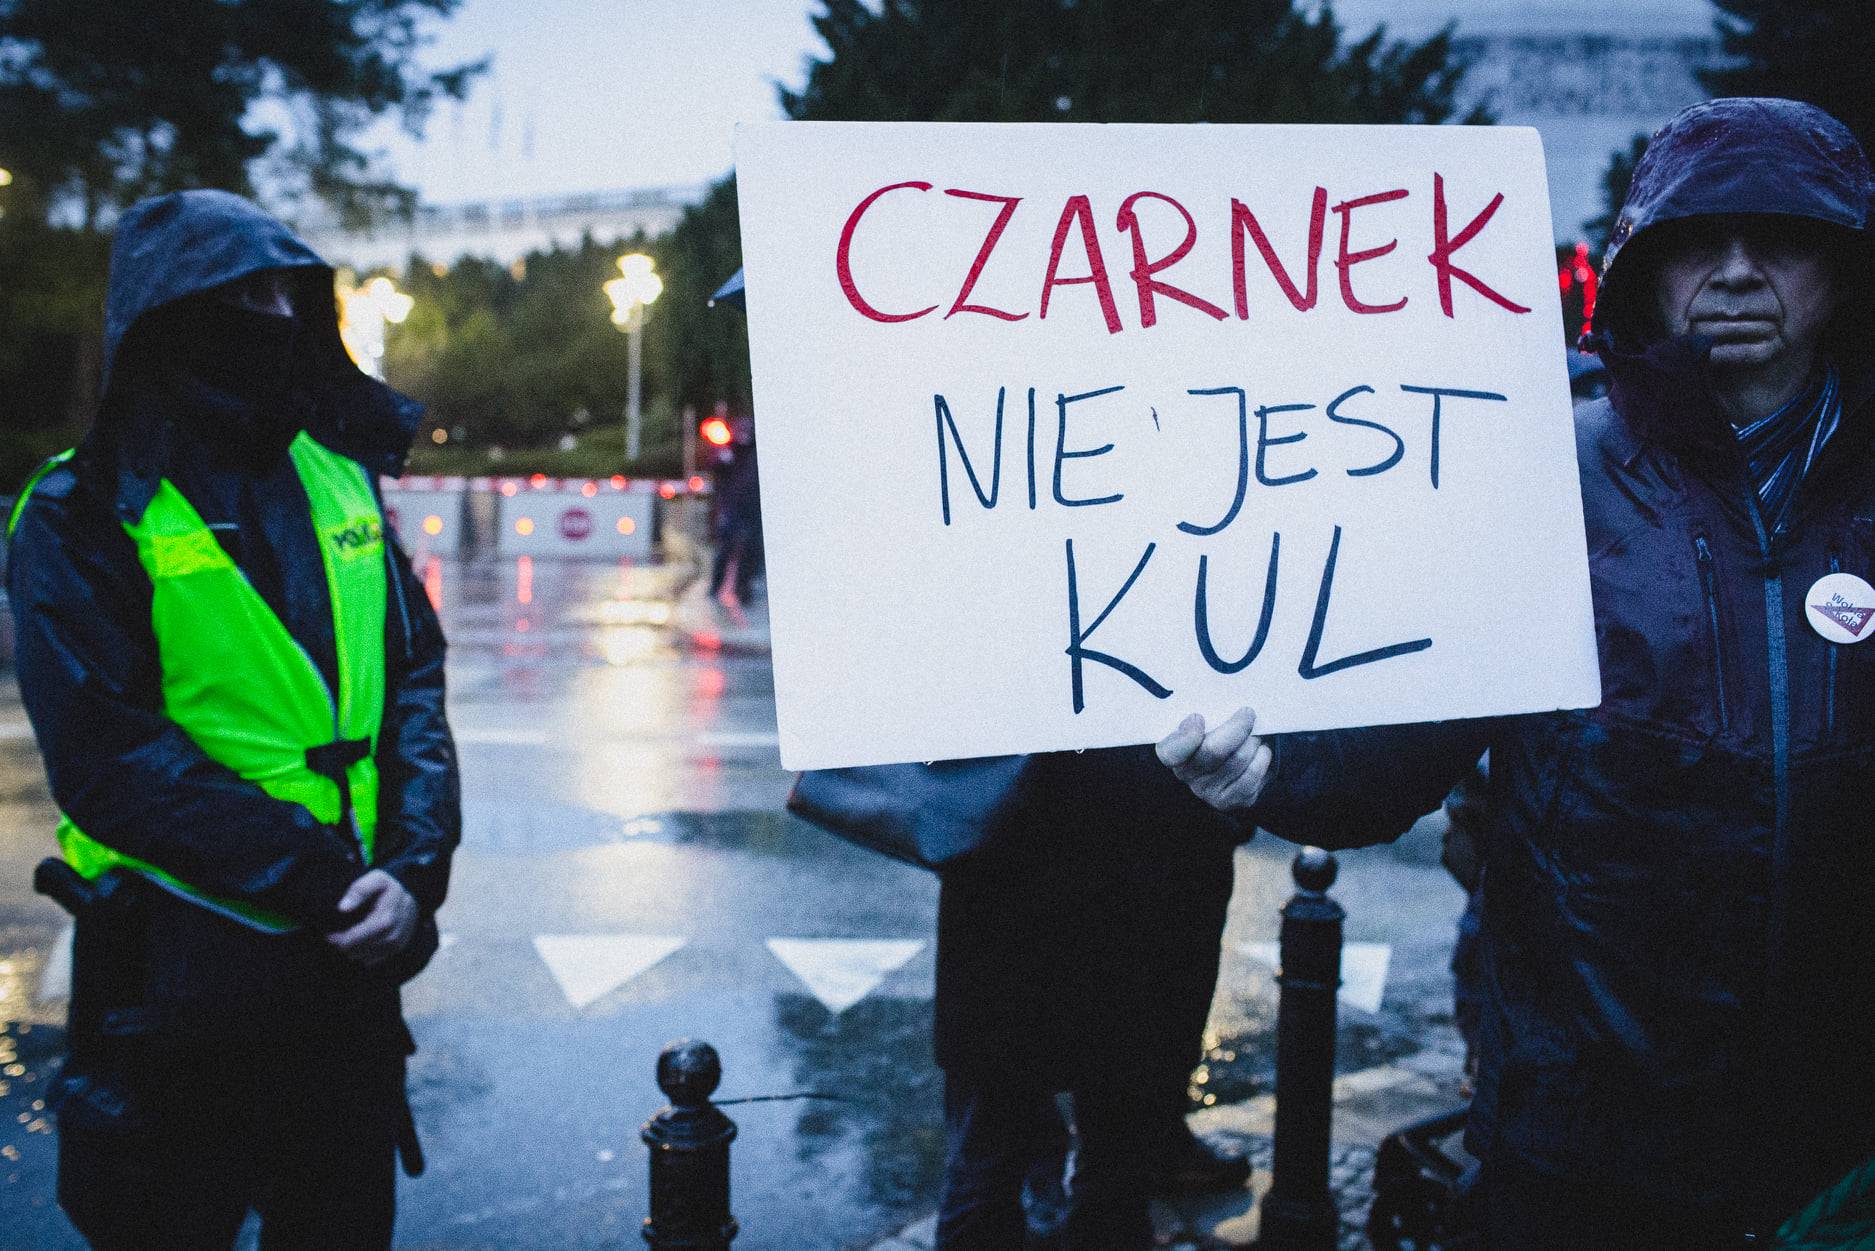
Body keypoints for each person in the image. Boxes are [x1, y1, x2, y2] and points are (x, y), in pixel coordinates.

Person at [1158, 97, 1875, 1249]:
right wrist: (1263, 772)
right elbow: (1394, 743)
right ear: (1648, 268)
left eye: (1779, 238)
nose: (1737, 274)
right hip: (1584, 1131)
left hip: (1841, 1137)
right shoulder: (1544, 470)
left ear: (1842, 264)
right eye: (1700, 241)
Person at [6, 190, 460, 1249]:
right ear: (167, 315)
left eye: (288, 293)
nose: (275, 318)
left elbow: (415, 684)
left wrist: (415, 867)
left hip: (347, 969)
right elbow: (110, 758)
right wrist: (322, 879)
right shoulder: (81, 509)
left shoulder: (339, 476)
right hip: (176, 980)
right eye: (242, 295)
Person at [933, 747, 1249, 1250]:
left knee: (992, 1151)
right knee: (1110, 1162)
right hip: (1149, 848)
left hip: (1018, 847)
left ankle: (1092, 1177)